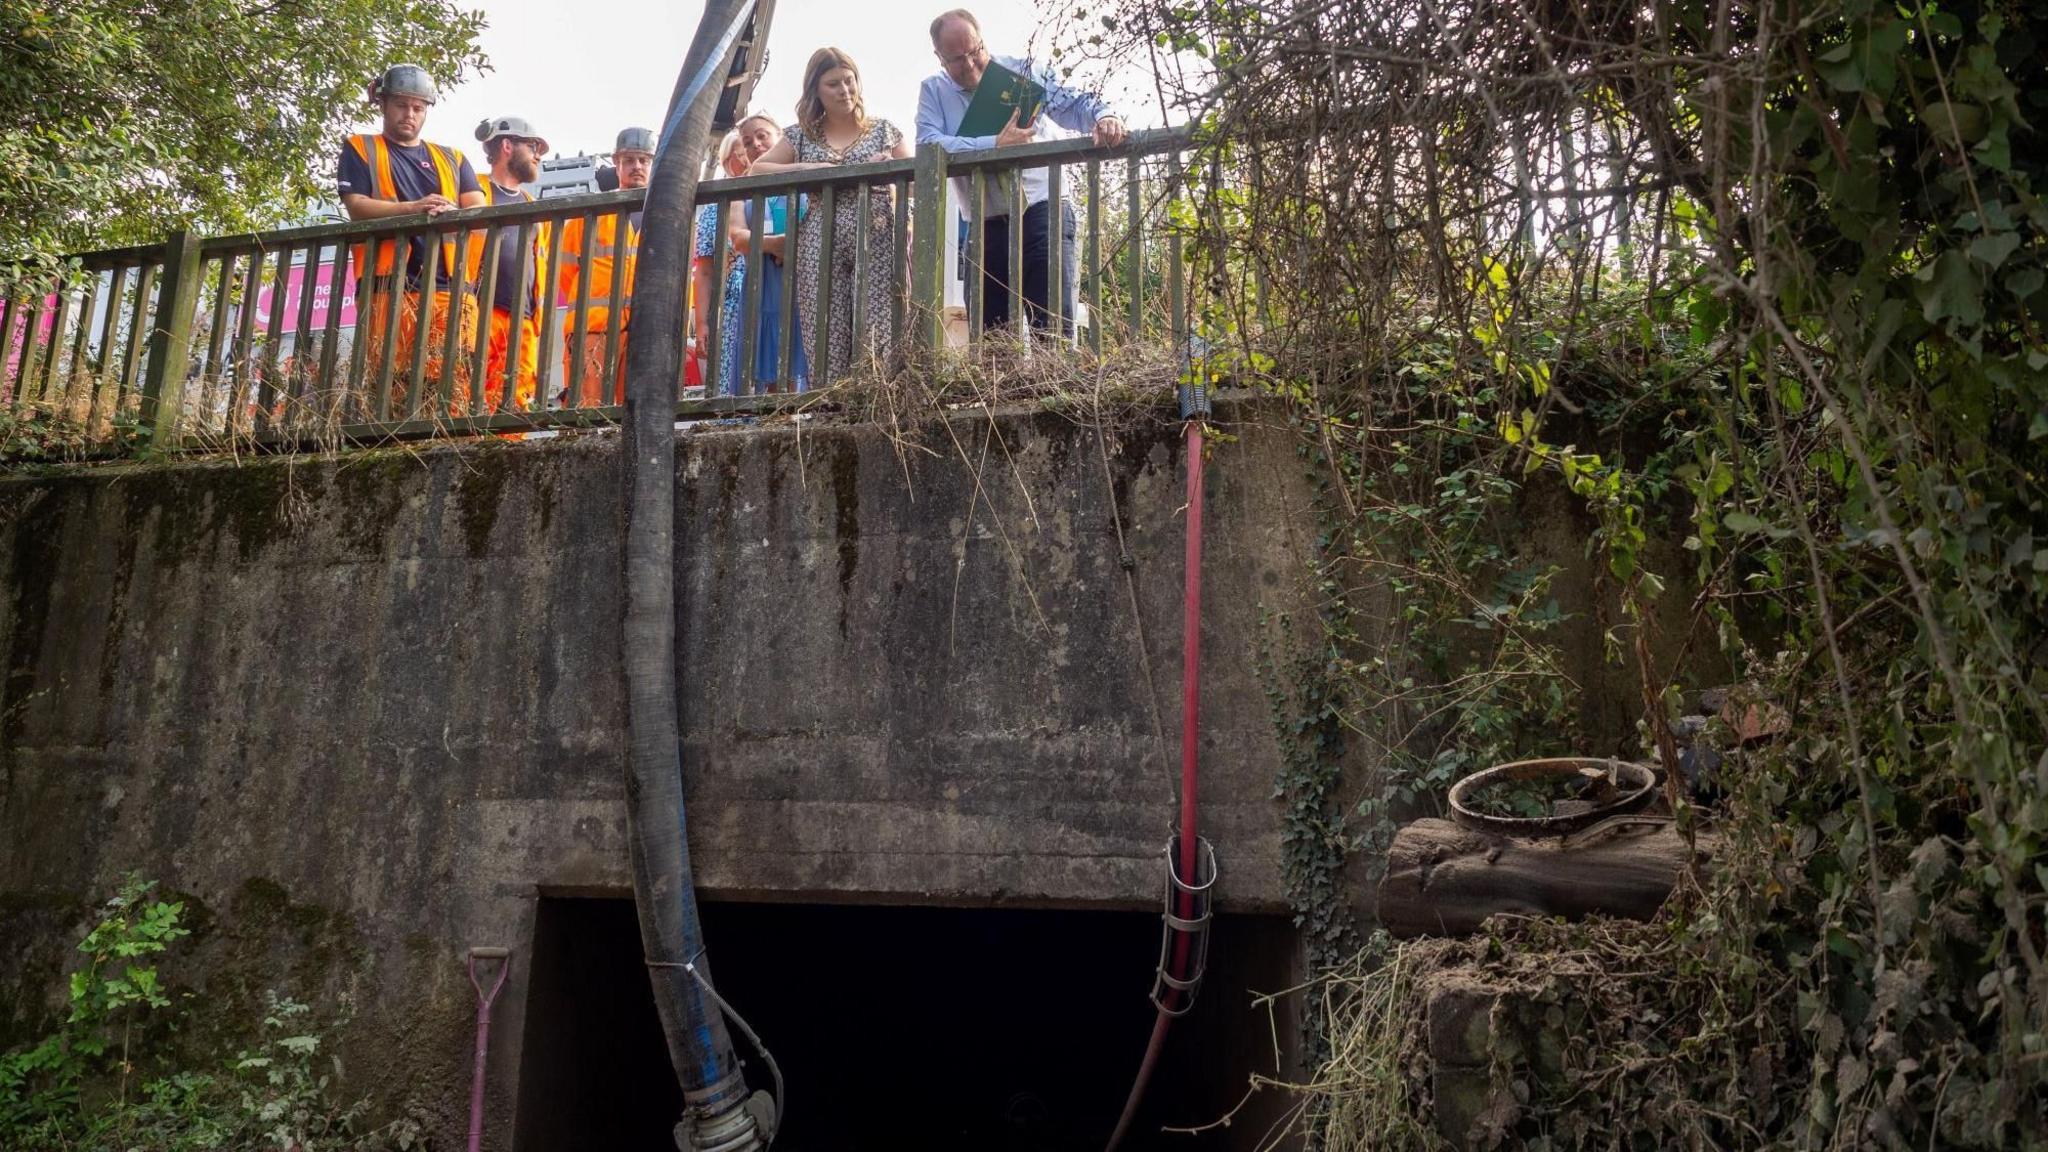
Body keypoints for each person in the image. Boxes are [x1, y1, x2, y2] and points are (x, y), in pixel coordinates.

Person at [916, 9, 1128, 338]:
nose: (971, 65)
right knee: (992, 339)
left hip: (1043, 208)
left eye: (975, 51)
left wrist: (1104, 115)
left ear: (983, 39)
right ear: (939, 58)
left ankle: (1056, 390)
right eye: (958, 59)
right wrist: (991, 144)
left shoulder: (1023, 71)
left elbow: (1072, 103)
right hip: (984, 222)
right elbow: (928, 143)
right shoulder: (933, 91)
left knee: (1052, 325)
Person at [748, 48, 913, 385]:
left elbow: (915, 180)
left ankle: (879, 405)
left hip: (877, 236)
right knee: (826, 332)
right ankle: (832, 409)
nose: (844, 90)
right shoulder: (800, 136)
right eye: (833, 83)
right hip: (819, 243)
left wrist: (889, 170)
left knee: (880, 327)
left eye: (849, 80)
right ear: (816, 90)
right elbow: (757, 169)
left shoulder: (885, 131)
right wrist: (808, 168)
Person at [338, 63, 486, 413]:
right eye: (402, 105)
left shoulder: (453, 158)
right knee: (392, 382)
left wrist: (452, 211)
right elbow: (357, 206)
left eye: (418, 108)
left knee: (454, 378)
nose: (410, 114)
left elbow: (478, 210)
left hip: (451, 288)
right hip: (389, 288)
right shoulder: (361, 148)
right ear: (383, 104)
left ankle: (453, 448)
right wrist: (414, 209)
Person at [694, 115, 808, 395]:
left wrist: (792, 246)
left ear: (779, 135)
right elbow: (738, 238)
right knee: (765, 360)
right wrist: (775, 244)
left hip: (804, 284)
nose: (756, 145)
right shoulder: (740, 192)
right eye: (747, 142)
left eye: (762, 136)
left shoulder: (803, 181)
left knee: (801, 353)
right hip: (761, 290)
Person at [555, 127, 652, 406]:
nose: (637, 166)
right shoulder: (592, 215)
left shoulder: (664, 214)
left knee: (635, 412)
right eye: (630, 160)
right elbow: (565, 274)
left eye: (643, 160)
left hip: (645, 331)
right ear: (616, 162)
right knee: (586, 409)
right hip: (592, 330)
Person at [472, 116, 552, 412]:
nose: (538, 155)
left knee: (515, 401)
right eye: (532, 146)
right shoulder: (474, 191)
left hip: (524, 318)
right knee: (469, 390)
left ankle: (505, 453)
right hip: (480, 308)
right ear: (507, 145)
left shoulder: (532, 204)